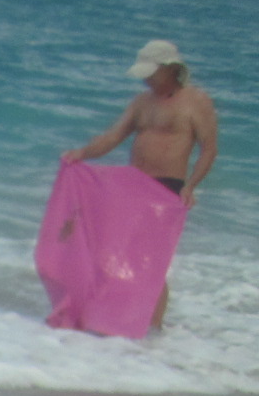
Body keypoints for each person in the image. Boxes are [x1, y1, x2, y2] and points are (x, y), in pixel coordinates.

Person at [62, 39, 221, 329]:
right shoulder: (141, 103)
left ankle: (154, 332)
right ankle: (115, 318)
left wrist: (191, 185)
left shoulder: (196, 101)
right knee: (113, 253)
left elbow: (209, 148)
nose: (146, 78)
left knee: (151, 261)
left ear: (170, 68)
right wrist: (82, 154)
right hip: (132, 185)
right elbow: (113, 136)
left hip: (166, 188)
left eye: (151, 72)